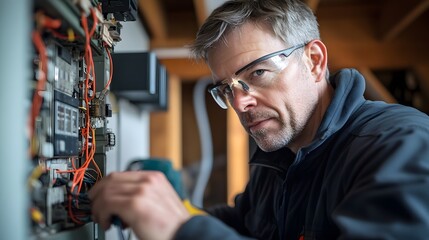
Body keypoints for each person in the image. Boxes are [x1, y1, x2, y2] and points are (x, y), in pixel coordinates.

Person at [89, 0, 429, 239]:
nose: (240, 102)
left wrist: (183, 230)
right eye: (226, 88)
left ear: (313, 60)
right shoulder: (280, 156)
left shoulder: (400, 143)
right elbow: (244, 224)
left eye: (259, 72)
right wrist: (168, 207)